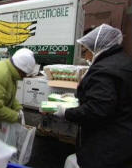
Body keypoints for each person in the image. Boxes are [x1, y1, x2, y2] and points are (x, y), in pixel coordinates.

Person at [52, 24, 132, 168]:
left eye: (85, 51)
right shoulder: (123, 61)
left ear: (95, 48)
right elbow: (111, 98)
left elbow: (97, 109)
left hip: (108, 144)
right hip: (123, 137)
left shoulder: (104, 70)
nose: (84, 56)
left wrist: (66, 112)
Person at [0, 48, 36, 134]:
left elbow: (8, 94)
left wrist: (17, 108)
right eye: (25, 73)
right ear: (20, 69)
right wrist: (15, 116)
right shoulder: (1, 75)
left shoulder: (11, 72)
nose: (25, 76)